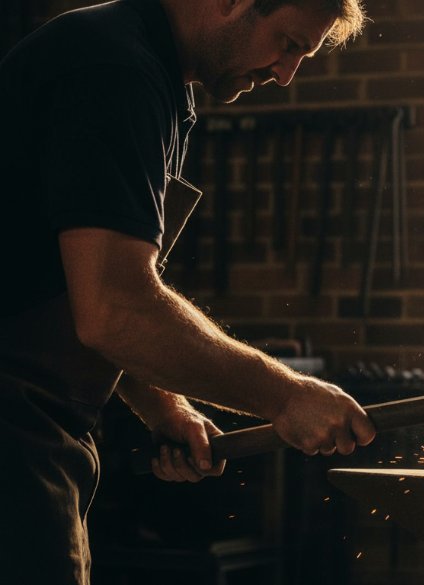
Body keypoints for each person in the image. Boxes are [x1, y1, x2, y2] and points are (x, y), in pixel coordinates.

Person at [0, 1, 374, 583]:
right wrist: (286, 396)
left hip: (39, 427)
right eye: (289, 43)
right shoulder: (113, 68)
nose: (286, 73)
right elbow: (114, 309)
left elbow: (84, 289)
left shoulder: (156, 80)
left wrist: (163, 404)